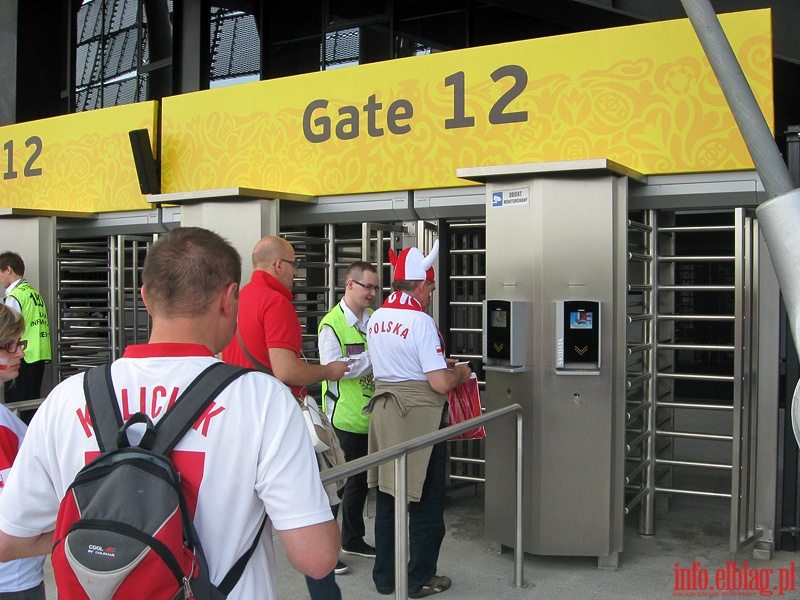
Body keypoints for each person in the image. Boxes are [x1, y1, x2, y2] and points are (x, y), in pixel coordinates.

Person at [0, 227, 340, 599]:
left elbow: (9, 539)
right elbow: (316, 558)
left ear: (145, 298)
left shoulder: (66, 398)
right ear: (230, 299)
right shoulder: (263, 399)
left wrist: (100, 536)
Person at [222, 235, 351, 599]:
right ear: (278, 265)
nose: (297, 273)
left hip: (236, 422)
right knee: (319, 505)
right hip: (275, 423)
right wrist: (329, 371)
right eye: (294, 264)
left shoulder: (237, 299)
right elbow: (286, 370)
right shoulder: (276, 303)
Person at [365, 240, 472, 598]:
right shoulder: (421, 322)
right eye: (431, 289)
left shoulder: (376, 318)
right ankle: (418, 578)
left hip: (383, 415)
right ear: (422, 285)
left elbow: (396, 368)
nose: (430, 296)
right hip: (420, 420)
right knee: (426, 503)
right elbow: (439, 383)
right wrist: (462, 373)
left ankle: (385, 578)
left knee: (388, 498)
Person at [318, 261, 378, 560]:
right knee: (337, 490)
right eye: (367, 286)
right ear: (350, 285)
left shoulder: (375, 319)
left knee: (359, 485)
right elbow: (338, 370)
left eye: (376, 288)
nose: (372, 293)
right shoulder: (332, 324)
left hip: (370, 417)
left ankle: (352, 539)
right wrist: (376, 354)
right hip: (342, 418)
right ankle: (326, 553)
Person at [0, 305, 46, 600]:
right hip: (13, 582)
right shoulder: (3, 428)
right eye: (9, 345)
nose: (20, 353)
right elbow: (7, 540)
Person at [0, 252, 51, 410]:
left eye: (0, 273)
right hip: (38, 355)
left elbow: (7, 330)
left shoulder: (15, 296)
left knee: (17, 407)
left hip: (21, 356)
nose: (0, 279)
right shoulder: (33, 293)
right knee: (31, 405)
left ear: (8, 269)